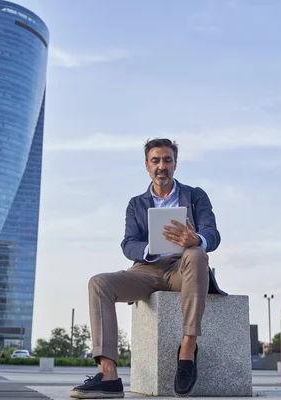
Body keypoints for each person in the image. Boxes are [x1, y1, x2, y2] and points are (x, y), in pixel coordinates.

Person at [70, 138, 224, 399]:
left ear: (175, 164)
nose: (161, 166)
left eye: (167, 160)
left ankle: (187, 349)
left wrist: (196, 239)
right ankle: (108, 375)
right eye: (156, 160)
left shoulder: (195, 196)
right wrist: (150, 247)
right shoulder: (136, 204)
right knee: (99, 283)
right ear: (146, 165)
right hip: (147, 269)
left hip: (183, 268)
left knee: (197, 254)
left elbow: (213, 234)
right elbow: (128, 243)